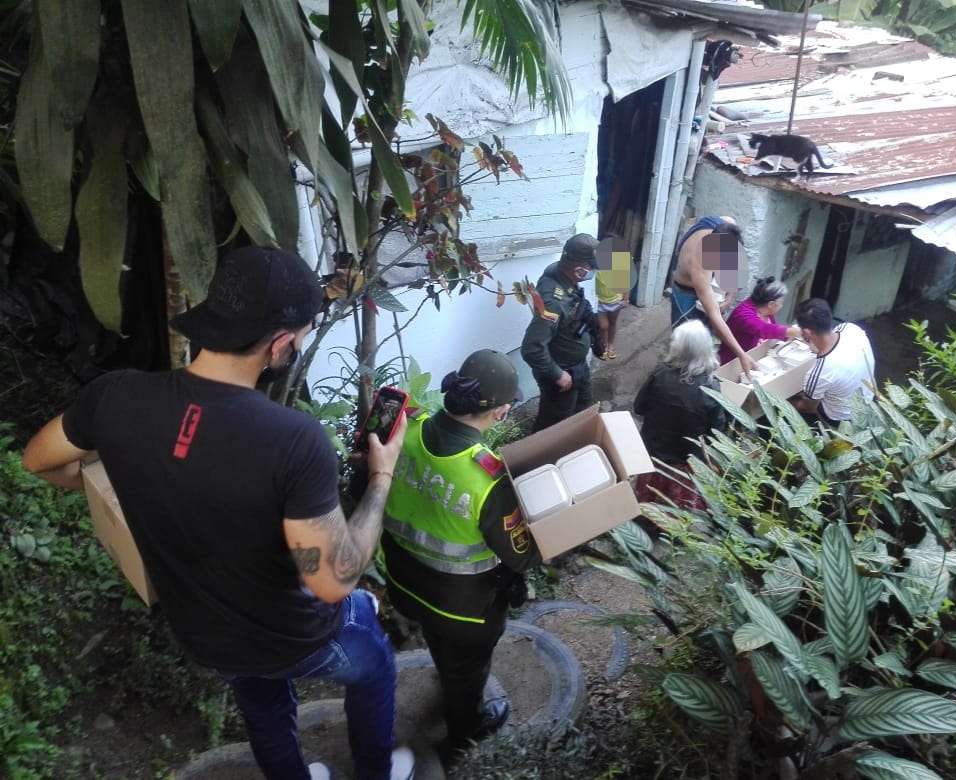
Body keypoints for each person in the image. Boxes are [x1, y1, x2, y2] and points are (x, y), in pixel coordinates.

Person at [21, 247, 415, 780]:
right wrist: (382, 476)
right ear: (278, 343)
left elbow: (39, 460)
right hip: (293, 637)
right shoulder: (292, 442)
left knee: (262, 704)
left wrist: (111, 481)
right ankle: (376, 772)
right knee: (373, 664)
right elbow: (333, 581)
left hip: (203, 631)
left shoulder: (115, 398)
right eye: (298, 339)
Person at [377, 349, 542, 765]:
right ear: (501, 413)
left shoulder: (405, 430)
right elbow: (522, 557)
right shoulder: (486, 478)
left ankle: (446, 674)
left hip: (405, 585)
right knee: (467, 669)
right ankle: (463, 734)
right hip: (464, 610)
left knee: (438, 640)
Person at [633, 320, 727, 516]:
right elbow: (717, 432)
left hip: (653, 454)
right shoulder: (711, 388)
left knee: (647, 505)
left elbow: (639, 407)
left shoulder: (659, 374)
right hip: (686, 461)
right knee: (676, 512)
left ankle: (646, 522)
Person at [521, 233, 603, 432]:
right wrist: (557, 375)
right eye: (592, 268)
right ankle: (542, 459)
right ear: (578, 270)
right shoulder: (554, 303)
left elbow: (576, 304)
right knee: (554, 426)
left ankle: (574, 445)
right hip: (562, 373)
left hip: (577, 365)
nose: (593, 272)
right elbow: (531, 348)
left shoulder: (561, 273)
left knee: (583, 408)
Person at [670, 215, 757, 378]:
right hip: (686, 295)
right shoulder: (700, 263)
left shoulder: (725, 225)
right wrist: (741, 354)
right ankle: (680, 378)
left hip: (705, 288)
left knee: (706, 339)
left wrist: (730, 296)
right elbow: (715, 316)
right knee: (687, 346)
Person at [792, 298, 877, 425]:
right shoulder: (852, 329)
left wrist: (785, 400)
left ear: (806, 332)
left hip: (842, 419)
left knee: (790, 403)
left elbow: (808, 407)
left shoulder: (821, 371)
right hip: (868, 401)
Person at [718, 276, 802, 365]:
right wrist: (792, 331)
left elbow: (772, 331)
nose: (782, 305)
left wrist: (787, 336)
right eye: (781, 303)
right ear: (771, 304)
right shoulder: (743, 315)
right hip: (734, 362)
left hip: (758, 358)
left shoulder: (766, 311)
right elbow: (763, 329)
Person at [595, 268, 628, 361]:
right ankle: (604, 345)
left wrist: (625, 299)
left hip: (615, 300)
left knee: (612, 322)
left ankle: (611, 344)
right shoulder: (594, 261)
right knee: (603, 326)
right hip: (599, 300)